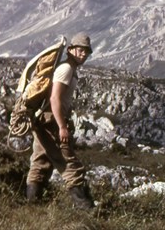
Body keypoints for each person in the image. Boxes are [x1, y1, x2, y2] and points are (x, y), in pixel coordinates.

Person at [26, 33, 95, 209]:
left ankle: (32, 207)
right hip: (51, 122)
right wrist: (62, 126)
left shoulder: (67, 68)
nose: (83, 54)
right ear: (71, 50)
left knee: (40, 163)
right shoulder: (66, 69)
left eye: (86, 52)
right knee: (69, 164)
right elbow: (55, 99)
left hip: (43, 120)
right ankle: (86, 209)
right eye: (80, 50)